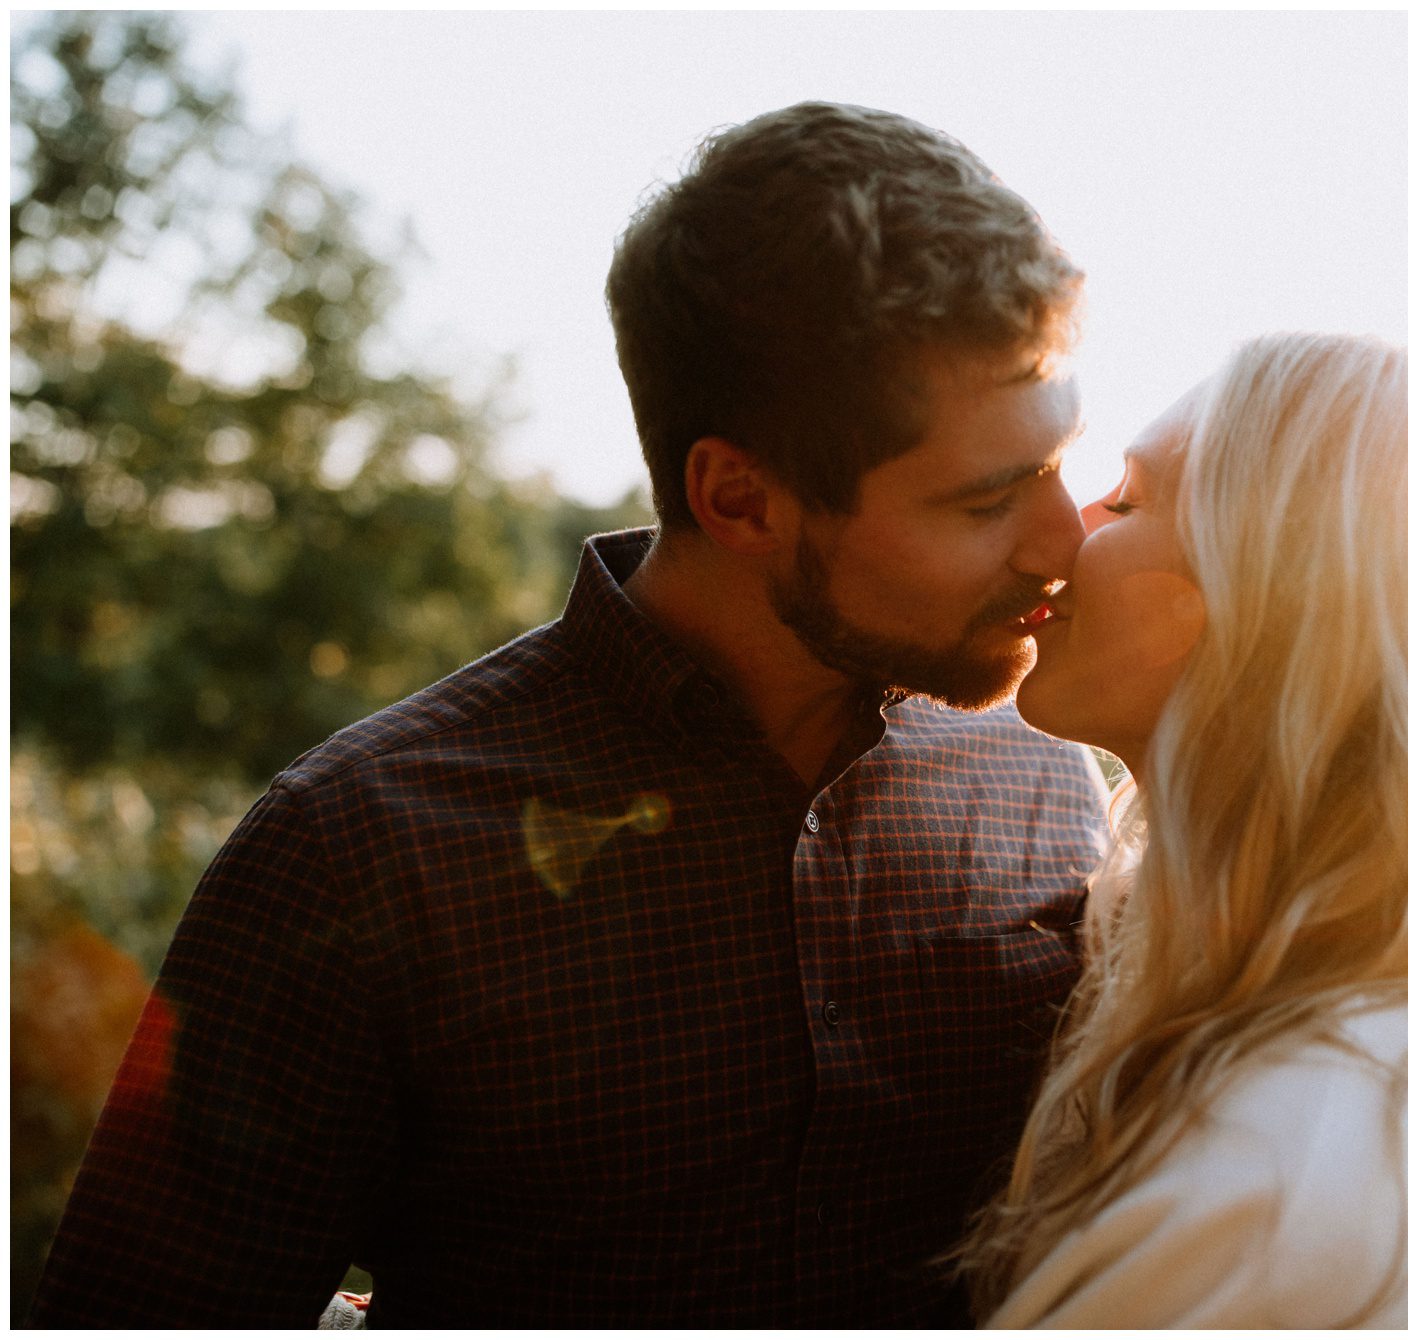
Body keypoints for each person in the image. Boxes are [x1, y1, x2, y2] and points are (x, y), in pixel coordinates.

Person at [31, 102, 1108, 1327]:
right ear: (741, 496)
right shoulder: (358, 847)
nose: (1065, 539)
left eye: (1062, 459)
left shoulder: (1048, 772)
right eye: (985, 501)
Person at [963, 333, 1408, 1326]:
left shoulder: (1281, 1184)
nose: (1064, 535)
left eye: (1127, 500)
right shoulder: (1274, 1026)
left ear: (1281, 601)